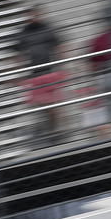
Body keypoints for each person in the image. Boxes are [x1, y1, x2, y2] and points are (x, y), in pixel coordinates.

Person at [13, 7, 65, 136]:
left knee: (51, 105)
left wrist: (62, 67)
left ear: (40, 15)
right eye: (31, 16)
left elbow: (59, 47)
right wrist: (17, 72)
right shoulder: (23, 32)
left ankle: (55, 130)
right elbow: (17, 53)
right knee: (42, 105)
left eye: (36, 15)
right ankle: (50, 128)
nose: (33, 18)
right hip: (33, 75)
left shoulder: (47, 28)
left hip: (49, 72)